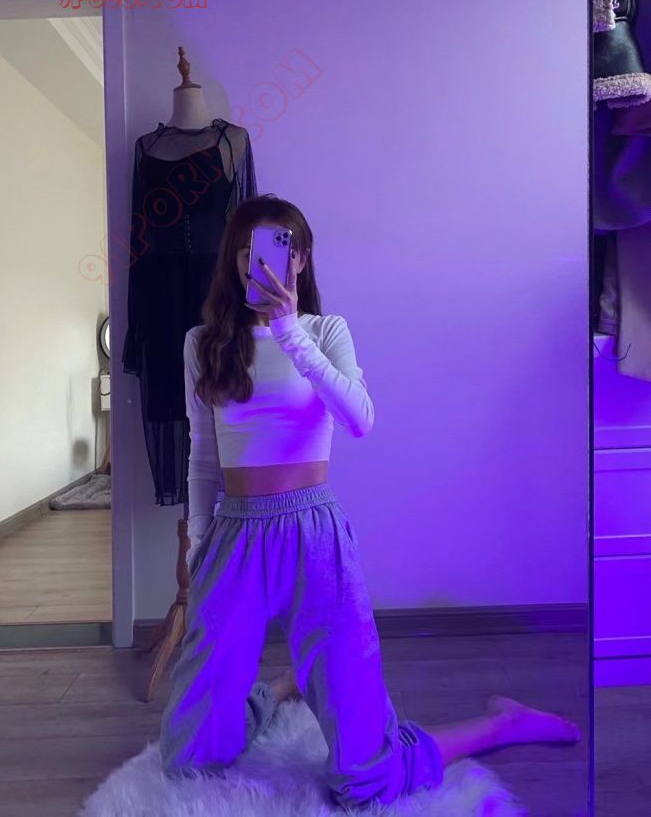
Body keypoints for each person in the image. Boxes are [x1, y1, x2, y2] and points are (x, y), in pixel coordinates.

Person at [159, 195, 581, 809]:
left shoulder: (325, 331)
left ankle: (502, 724)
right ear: (234, 260)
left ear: (300, 259)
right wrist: (199, 544)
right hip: (233, 537)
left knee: (365, 775)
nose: (259, 263)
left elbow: (359, 419)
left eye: (275, 250)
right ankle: (280, 690)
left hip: (313, 534)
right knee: (189, 756)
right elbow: (203, 456)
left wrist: (289, 332)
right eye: (246, 252)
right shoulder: (204, 343)